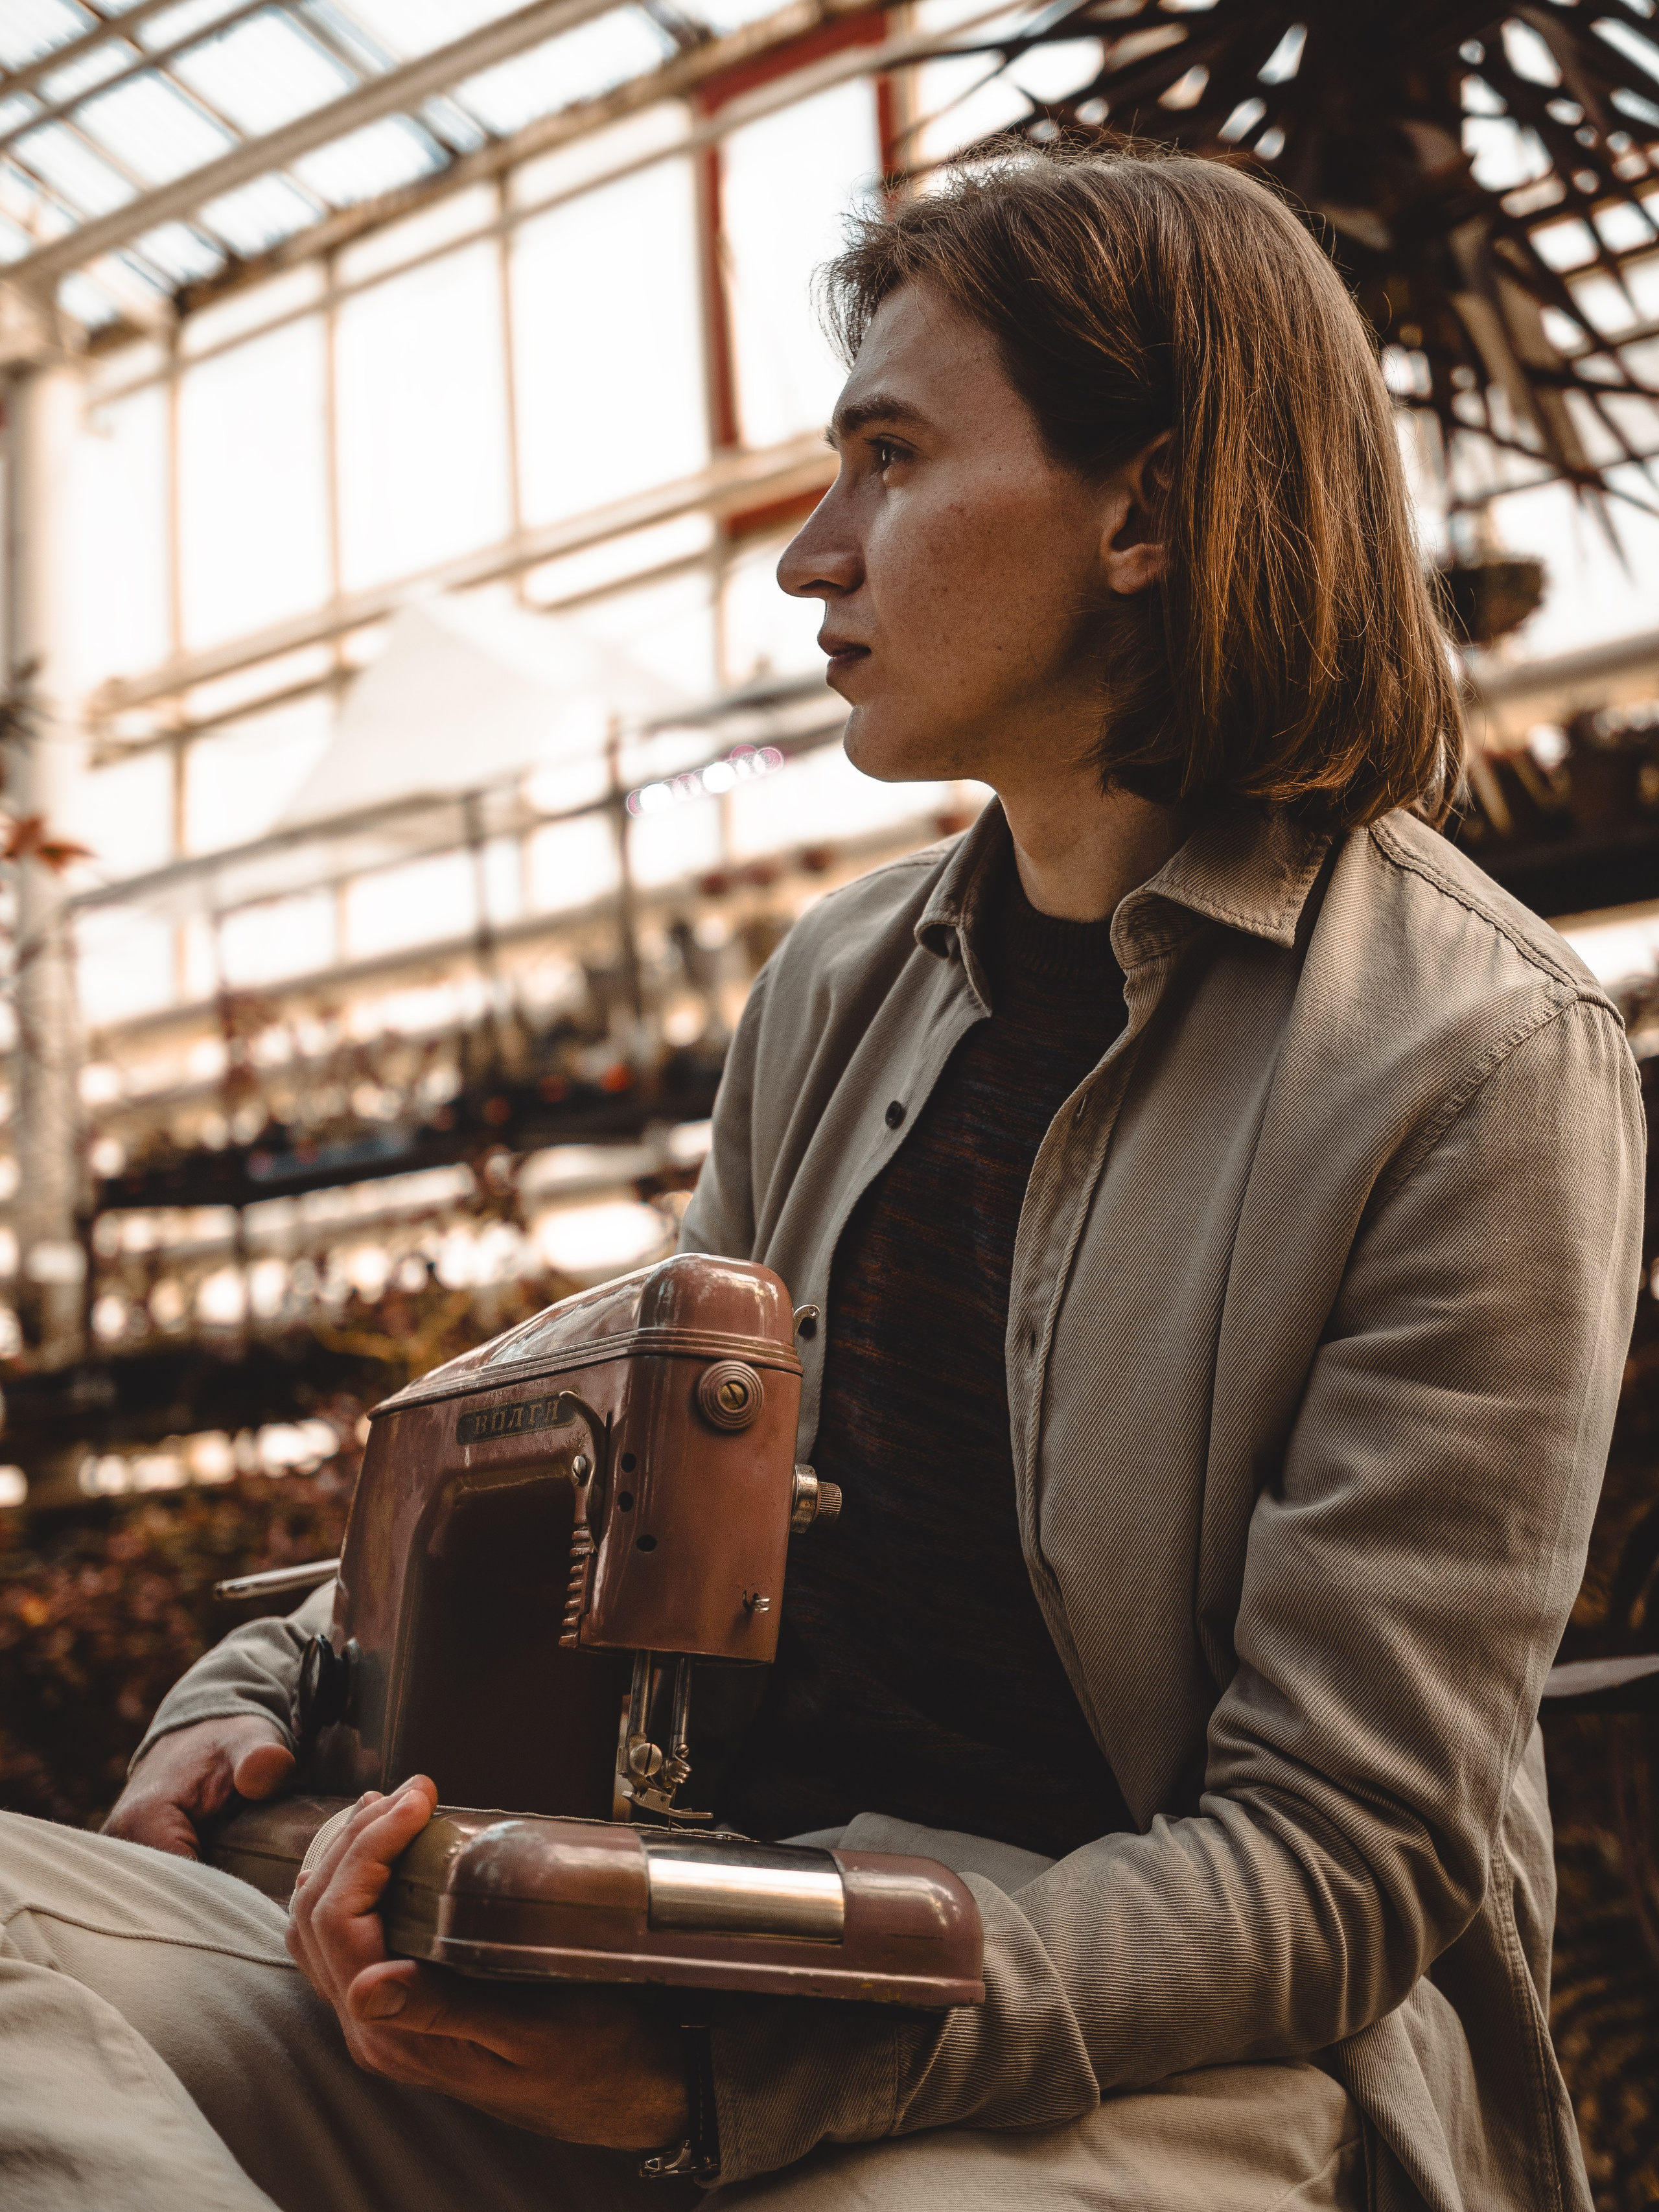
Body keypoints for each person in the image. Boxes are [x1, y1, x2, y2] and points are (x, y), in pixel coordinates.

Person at [1, 144, 1642, 2212]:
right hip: (717, 1926)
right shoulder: (849, 978)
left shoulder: (1476, 1060)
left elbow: (1337, 1862)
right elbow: (633, 1474)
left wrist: (727, 2075)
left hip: (1154, 2063)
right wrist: (261, 1686)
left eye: (888, 458)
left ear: (1144, 511)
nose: (809, 556)